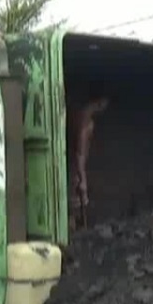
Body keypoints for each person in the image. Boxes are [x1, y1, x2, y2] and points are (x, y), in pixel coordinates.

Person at [68, 82, 109, 230]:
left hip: (75, 167)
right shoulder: (86, 122)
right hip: (75, 168)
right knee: (76, 204)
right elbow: (80, 153)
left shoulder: (78, 114)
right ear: (99, 102)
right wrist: (82, 179)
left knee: (76, 205)